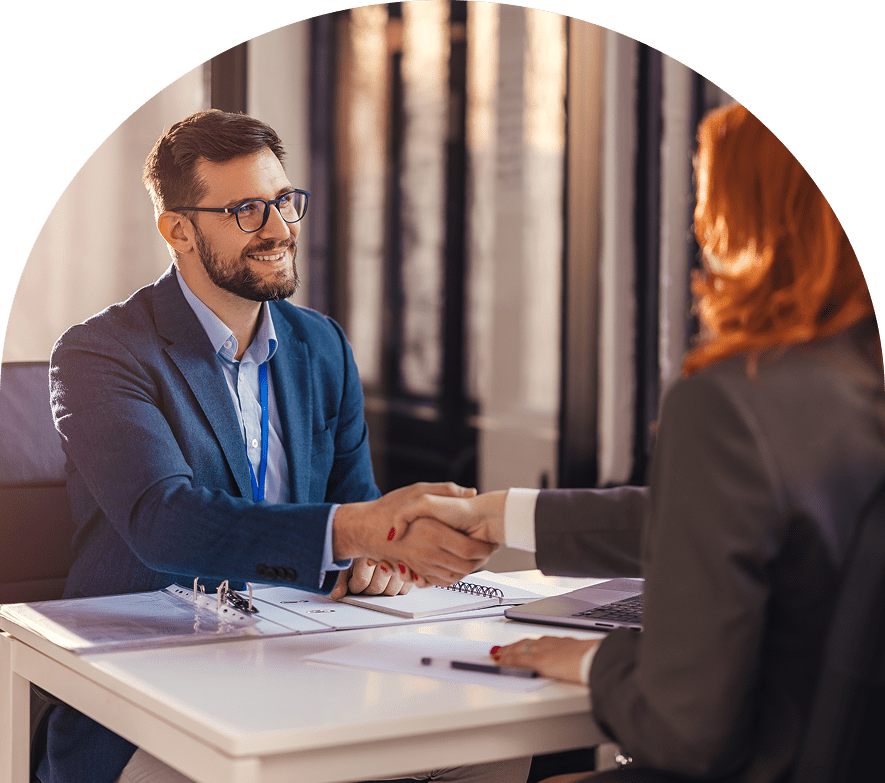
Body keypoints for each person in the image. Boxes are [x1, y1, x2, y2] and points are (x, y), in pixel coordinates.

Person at [40, 110, 528, 783]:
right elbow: (164, 520)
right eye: (245, 209)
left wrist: (386, 551)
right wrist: (359, 530)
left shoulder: (319, 345)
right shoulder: (102, 353)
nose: (279, 228)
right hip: (148, 695)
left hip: (308, 671)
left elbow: (354, 516)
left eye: (282, 201)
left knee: (493, 747)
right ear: (178, 229)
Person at [406, 104, 885, 783]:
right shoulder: (854, 388)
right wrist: (502, 514)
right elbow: (724, 514)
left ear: (747, 219)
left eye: (706, 201)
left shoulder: (733, 400)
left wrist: (597, 660)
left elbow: (685, 730)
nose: (699, 228)